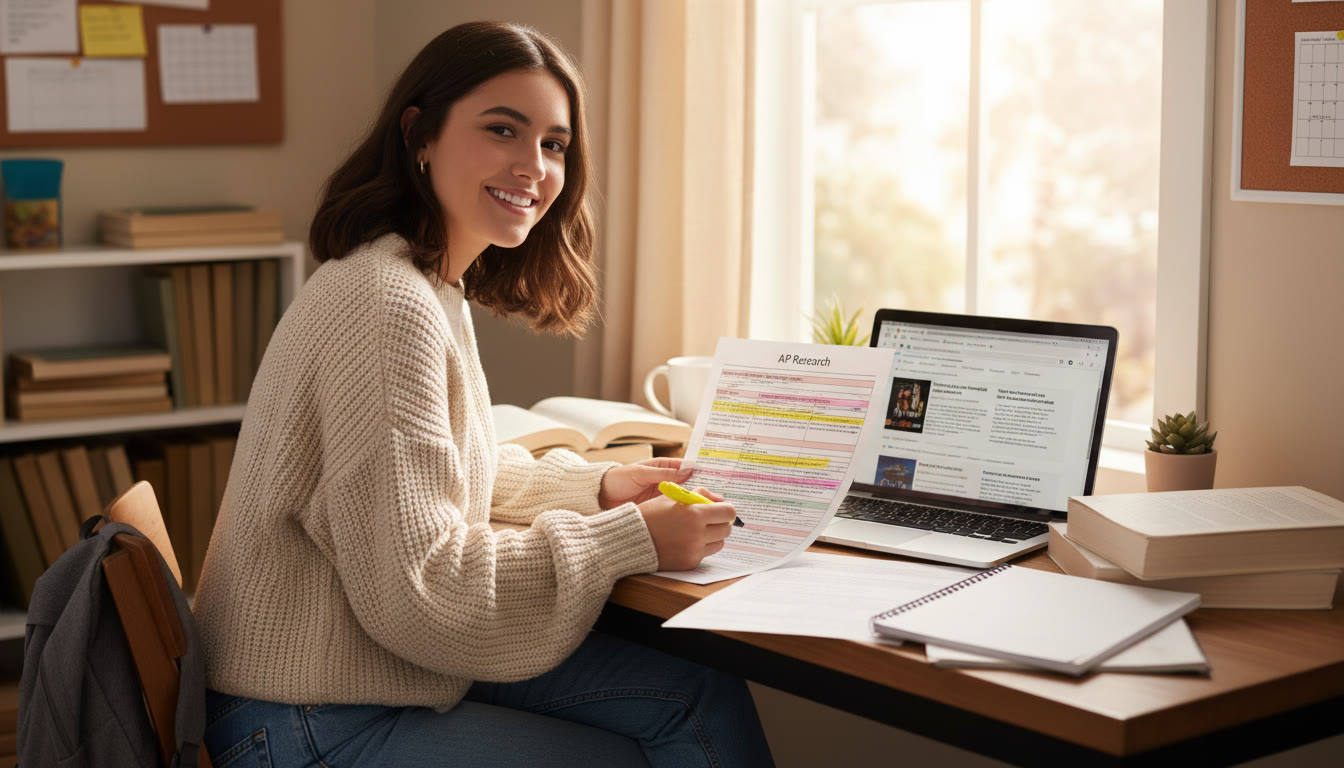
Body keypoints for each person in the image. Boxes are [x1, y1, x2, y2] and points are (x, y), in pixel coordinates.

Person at [192, 21, 775, 768]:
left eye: (555, 144)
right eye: (504, 130)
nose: (533, 166)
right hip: (306, 717)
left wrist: (603, 487)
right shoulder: (385, 304)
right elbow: (426, 593)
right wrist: (631, 538)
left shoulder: (421, 282)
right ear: (420, 135)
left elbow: (442, 470)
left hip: (362, 675)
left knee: (699, 691)